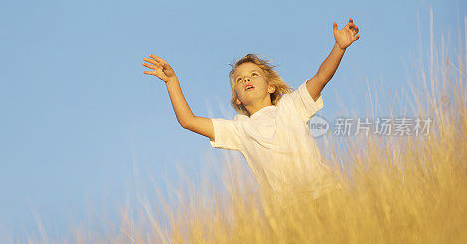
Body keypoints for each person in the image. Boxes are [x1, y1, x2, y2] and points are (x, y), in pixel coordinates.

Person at [142, 18, 360, 204]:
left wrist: (339, 47)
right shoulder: (239, 129)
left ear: (271, 86)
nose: (246, 78)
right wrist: (172, 82)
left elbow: (321, 78)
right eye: (239, 78)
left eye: (254, 75)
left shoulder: (291, 106)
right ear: (236, 97)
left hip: (327, 195)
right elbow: (188, 120)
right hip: (288, 211)